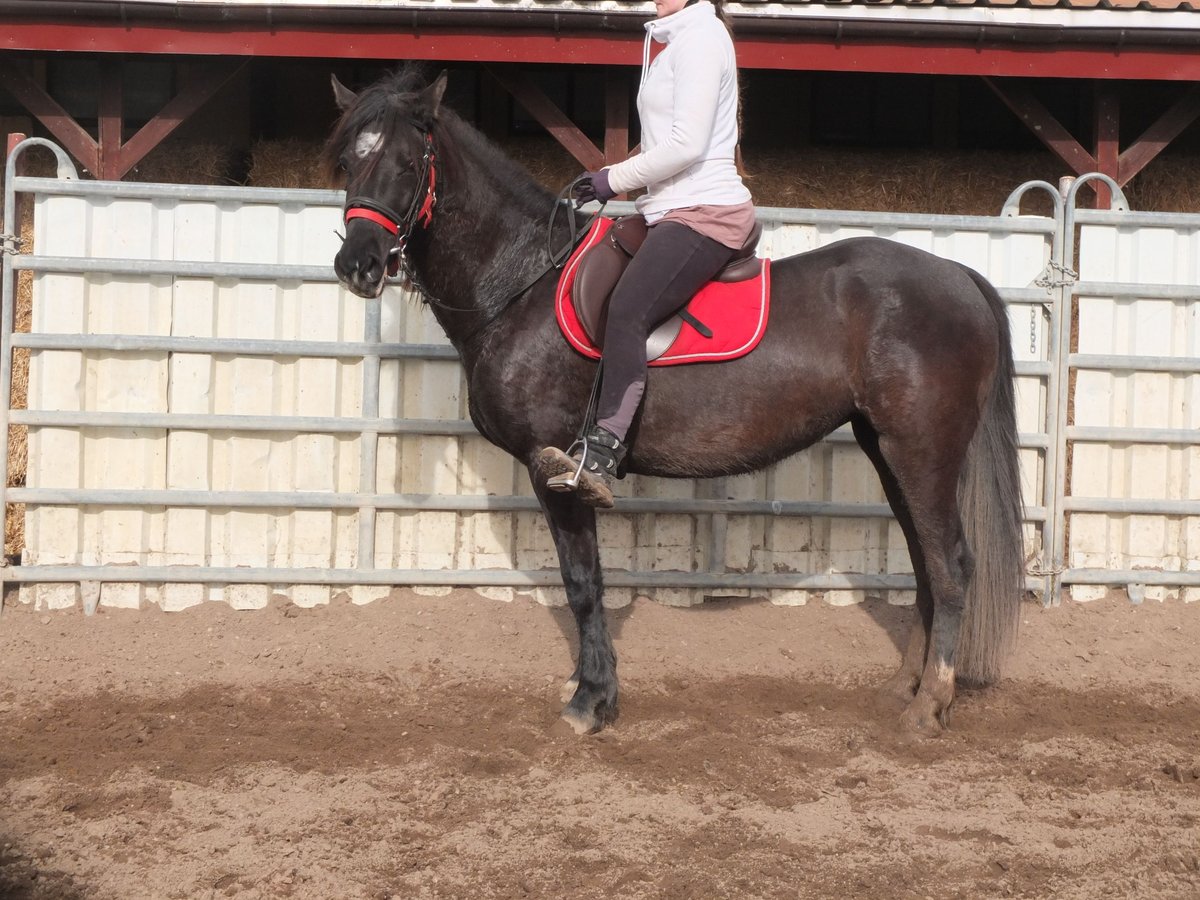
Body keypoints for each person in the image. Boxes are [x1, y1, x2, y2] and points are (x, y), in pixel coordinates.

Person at [538, 0, 755, 508]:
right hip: (666, 207)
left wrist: (611, 180)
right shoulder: (668, 40)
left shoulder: (701, 39)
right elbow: (661, 139)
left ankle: (605, 448)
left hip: (706, 211)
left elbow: (685, 146)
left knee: (629, 308)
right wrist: (621, 171)